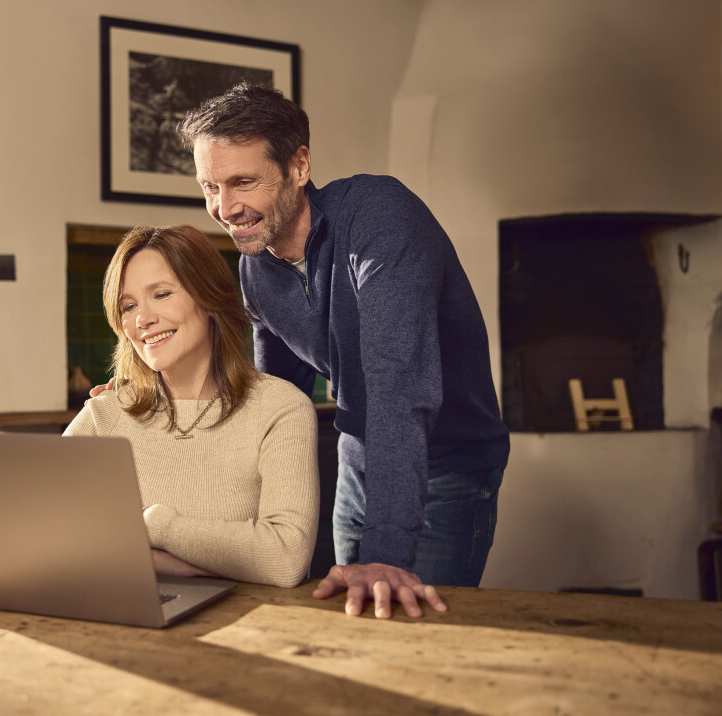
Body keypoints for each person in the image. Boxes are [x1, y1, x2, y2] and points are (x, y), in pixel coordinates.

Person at [174, 82, 510, 619]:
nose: (224, 207)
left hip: (448, 465)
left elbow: (397, 386)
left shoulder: (381, 218)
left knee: (414, 632)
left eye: (242, 182)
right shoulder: (256, 270)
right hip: (358, 463)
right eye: (210, 186)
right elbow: (272, 399)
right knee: (349, 626)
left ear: (299, 166)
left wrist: (385, 555)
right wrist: (144, 397)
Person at [65, 225, 319, 588]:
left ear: (209, 297)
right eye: (129, 306)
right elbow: (41, 531)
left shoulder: (280, 409)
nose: (142, 319)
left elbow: (285, 558)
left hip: (249, 628)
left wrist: (154, 525)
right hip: (123, 624)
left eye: (162, 294)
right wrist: (163, 563)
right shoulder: (103, 413)